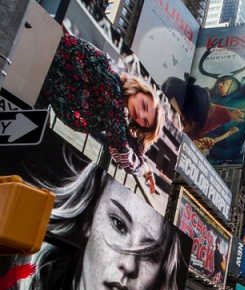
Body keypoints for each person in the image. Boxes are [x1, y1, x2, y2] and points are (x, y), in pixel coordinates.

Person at [1, 142, 187, 290]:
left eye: (150, 254)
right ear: (89, 219)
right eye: (118, 224)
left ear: (162, 272)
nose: (129, 265)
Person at [37, 34, 164, 187]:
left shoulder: (117, 110)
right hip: (38, 60)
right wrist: (144, 169)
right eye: (144, 105)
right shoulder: (112, 86)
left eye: (145, 121)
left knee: (35, 151)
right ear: (139, 90)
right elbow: (122, 150)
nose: (140, 114)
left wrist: (147, 163)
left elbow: (131, 147)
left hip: (42, 88)